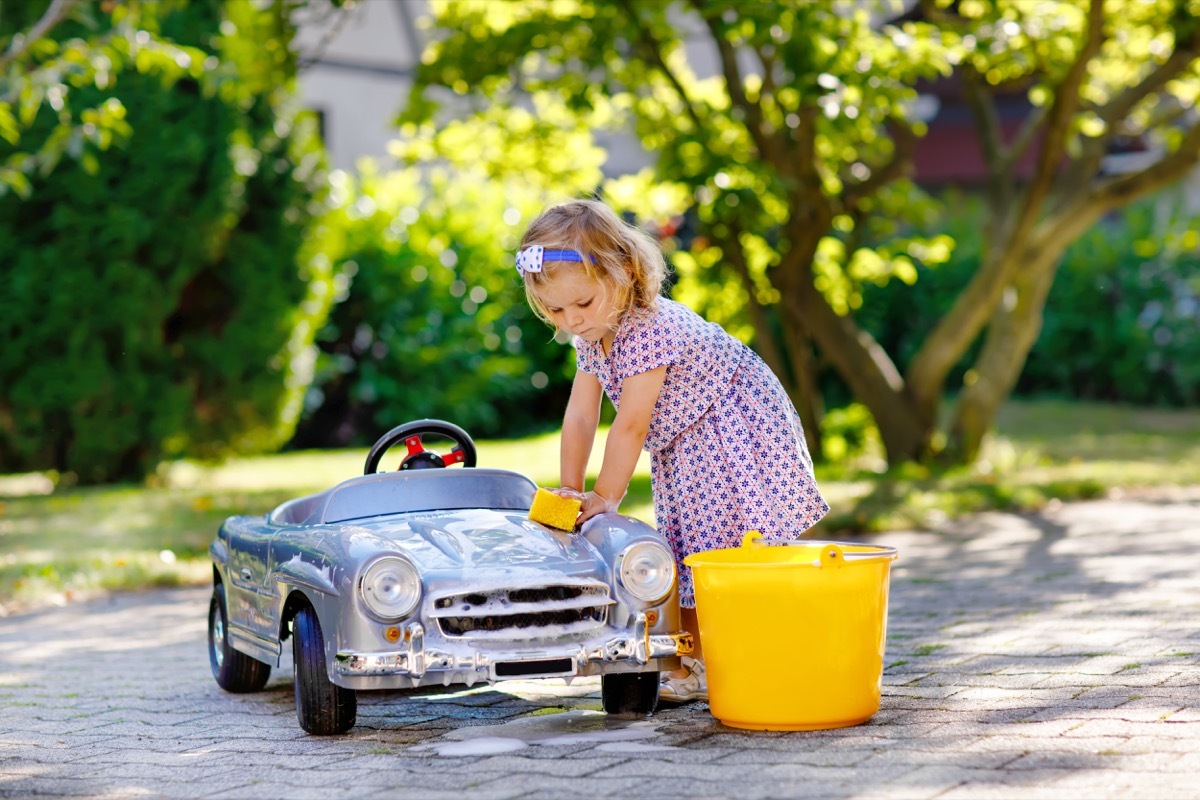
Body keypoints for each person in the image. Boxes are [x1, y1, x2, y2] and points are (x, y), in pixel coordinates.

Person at [515, 198, 829, 703]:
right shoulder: (594, 334)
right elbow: (580, 416)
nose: (571, 320)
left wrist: (604, 495)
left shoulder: (648, 328)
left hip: (729, 420)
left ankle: (711, 659)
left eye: (582, 304)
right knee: (681, 546)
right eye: (555, 309)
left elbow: (631, 424)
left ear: (620, 276)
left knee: (722, 542)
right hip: (685, 436)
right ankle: (688, 659)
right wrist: (570, 489)